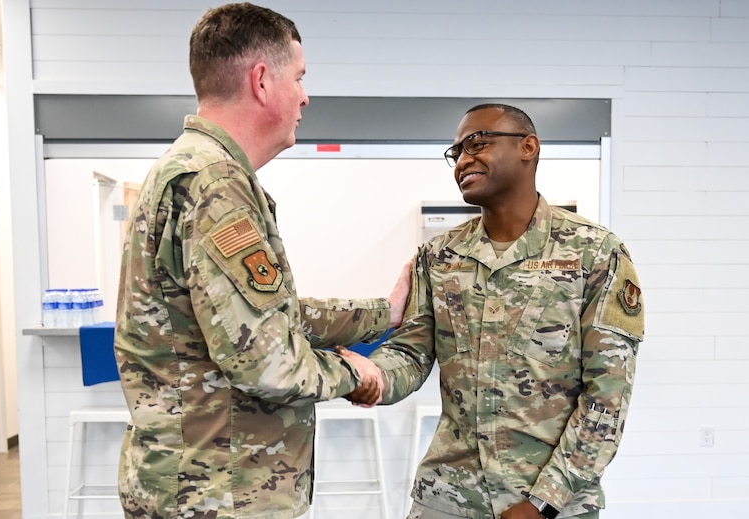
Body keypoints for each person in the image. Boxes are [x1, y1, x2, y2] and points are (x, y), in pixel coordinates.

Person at [113, 4, 409, 519]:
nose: (305, 96)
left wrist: (383, 313)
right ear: (262, 81)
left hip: (195, 483)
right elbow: (267, 362)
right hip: (219, 493)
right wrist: (354, 373)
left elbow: (271, 317)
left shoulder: (192, 170)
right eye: (298, 77)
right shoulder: (215, 185)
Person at [349, 103, 644, 519]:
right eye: (456, 152)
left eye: (477, 143)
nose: (463, 160)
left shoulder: (594, 253)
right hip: (447, 497)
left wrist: (544, 502)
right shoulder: (438, 256)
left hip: (551, 502)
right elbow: (412, 354)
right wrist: (370, 377)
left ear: (528, 147)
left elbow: (607, 397)